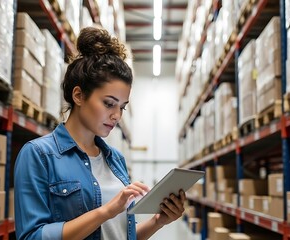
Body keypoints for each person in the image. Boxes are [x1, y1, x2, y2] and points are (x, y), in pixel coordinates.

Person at [14, 27, 186, 240]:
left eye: (122, 107)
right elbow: (31, 236)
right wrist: (105, 212)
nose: (116, 115)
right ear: (78, 95)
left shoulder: (115, 160)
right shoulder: (39, 155)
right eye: (109, 103)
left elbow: (121, 234)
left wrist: (158, 221)